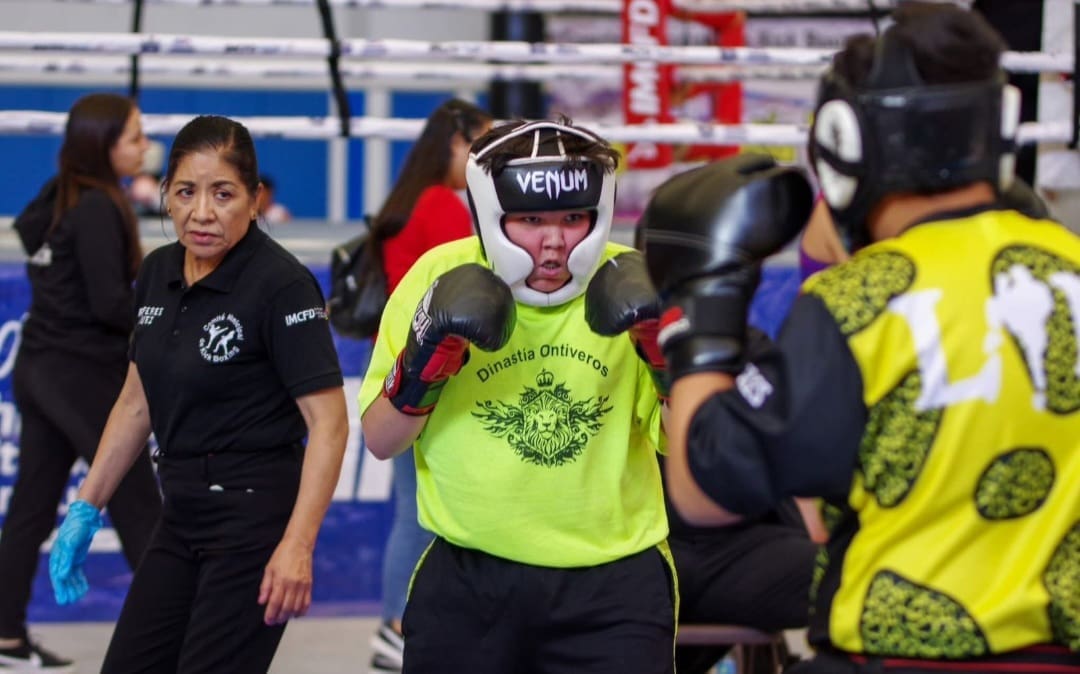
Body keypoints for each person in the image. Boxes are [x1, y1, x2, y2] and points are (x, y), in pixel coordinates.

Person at [644, 3, 1080, 673]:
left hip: (900, 655)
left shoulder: (866, 302)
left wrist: (697, 313)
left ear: (848, 145)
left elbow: (707, 489)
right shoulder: (1070, 265)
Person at [359, 118, 675, 674]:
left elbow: (693, 450)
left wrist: (666, 357)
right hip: (467, 581)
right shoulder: (439, 275)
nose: (553, 243)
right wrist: (423, 365)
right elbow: (381, 440)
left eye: (573, 218)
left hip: (614, 588)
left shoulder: (634, 282)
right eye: (530, 220)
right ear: (490, 214)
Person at [47, 114, 349, 673]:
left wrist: (298, 545)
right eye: (185, 192)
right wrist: (87, 506)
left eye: (223, 193)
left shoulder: (280, 284)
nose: (201, 212)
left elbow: (329, 425)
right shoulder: (159, 268)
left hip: (254, 519)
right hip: (181, 510)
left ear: (255, 199)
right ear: (165, 194)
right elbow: (137, 401)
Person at [0, 92, 161, 672]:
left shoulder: (60, 193)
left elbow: (29, 231)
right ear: (104, 145)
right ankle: (174, 633)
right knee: (139, 501)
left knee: (33, 506)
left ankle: (6, 638)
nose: (145, 147)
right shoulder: (97, 206)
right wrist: (171, 306)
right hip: (79, 373)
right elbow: (110, 303)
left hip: (41, 367)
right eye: (135, 137)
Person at [363, 97, 492, 674]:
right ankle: (395, 625)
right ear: (456, 142)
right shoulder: (439, 204)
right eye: (481, 145)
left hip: (403, 363)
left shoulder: (411, 199)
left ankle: (394, 623)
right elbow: (471, 284)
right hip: (428, 367)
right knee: (417, 514)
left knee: (409, 510)